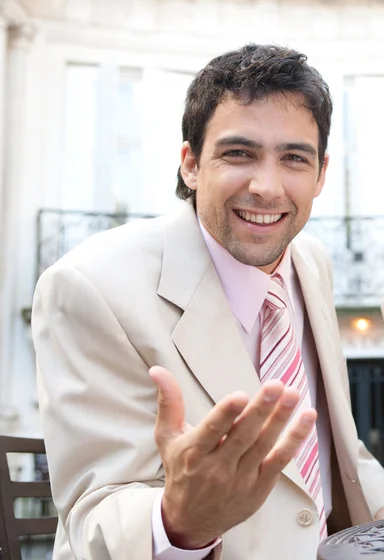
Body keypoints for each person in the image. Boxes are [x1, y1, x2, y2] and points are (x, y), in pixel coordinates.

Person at [32, 43, 384, 560]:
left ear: (321, 173)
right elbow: (93, 516)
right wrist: (179, 522)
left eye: (293, 158)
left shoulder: (311, 262)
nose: (266, 188)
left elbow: (337, 451)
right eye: (238, 154)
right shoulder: (87, 285)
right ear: (191, 164)